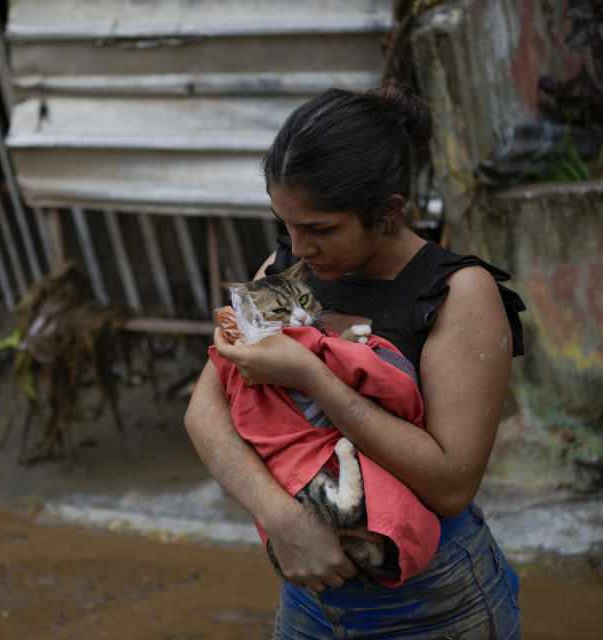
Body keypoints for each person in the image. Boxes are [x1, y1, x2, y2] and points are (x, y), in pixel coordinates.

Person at [184, 85, 526, 639]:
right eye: (287, 223)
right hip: (309, 597)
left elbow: (449, 484)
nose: (299, 247)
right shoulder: (286, 268)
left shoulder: (458, 293)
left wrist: (312, 377)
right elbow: (205, 412)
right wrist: (282, 519)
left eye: (319, 229)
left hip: (432, 607)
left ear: (388, 211)